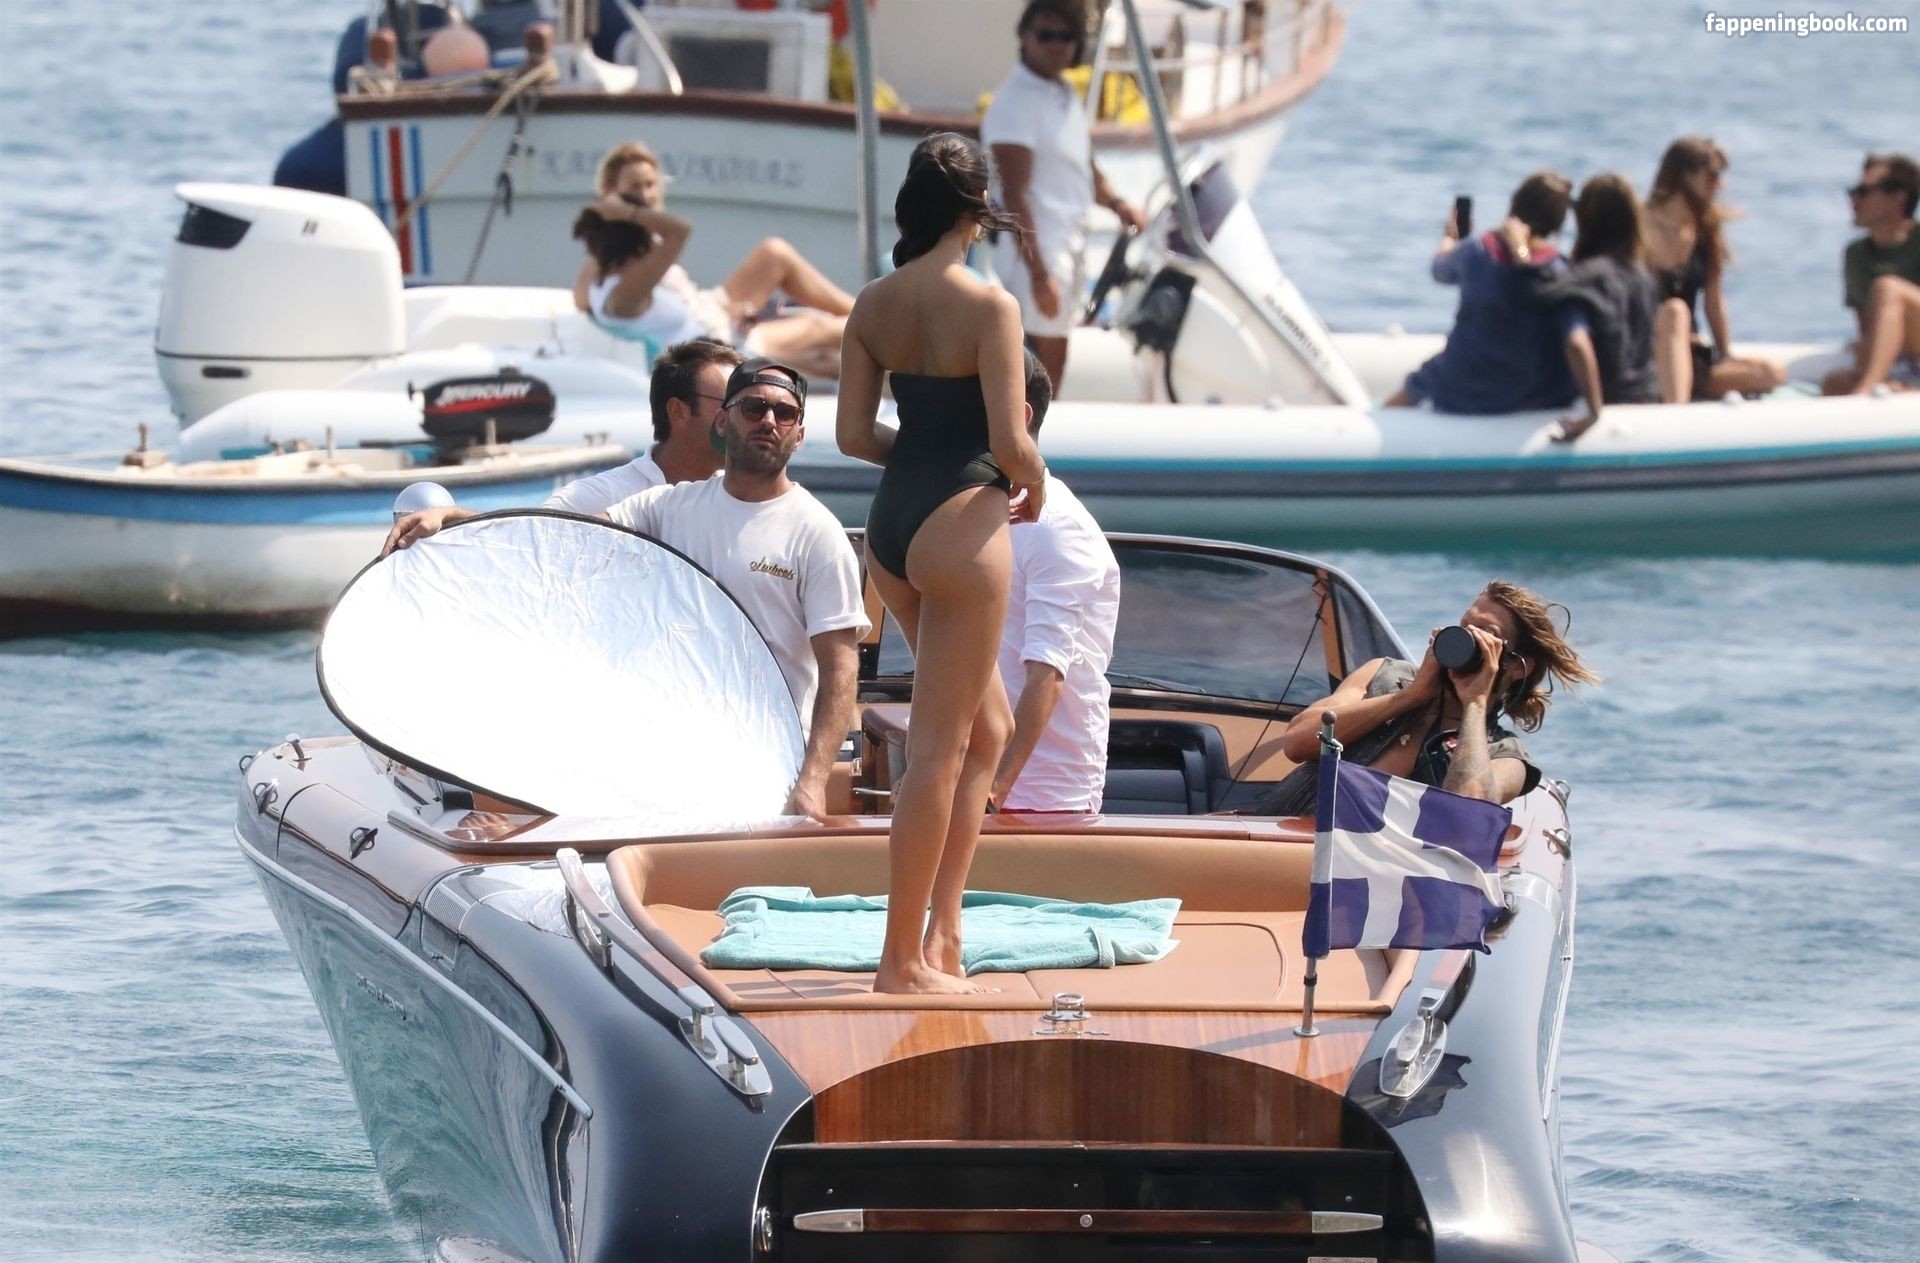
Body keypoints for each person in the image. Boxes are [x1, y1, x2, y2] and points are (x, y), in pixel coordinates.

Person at [836, 133, 1049, 994]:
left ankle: (945, 935)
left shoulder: (872, 303)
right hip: (962, 525)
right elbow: (1010, 443)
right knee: (936, 752)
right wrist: (1031, 477)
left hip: (891, 524)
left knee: (986, 732)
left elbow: (854, 436)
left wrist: (924, 463)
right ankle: (900, 962)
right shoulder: (991, 304)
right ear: (977, 211)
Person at [601, 359, 870, 820]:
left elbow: (840, 669)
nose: (769, 420)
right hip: (665, 759)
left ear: (799, 436)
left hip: (767, 769)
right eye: (754, 407)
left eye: (785, 413)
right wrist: (470, 524)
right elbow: (568, 539)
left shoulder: (817, 533)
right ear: (724, 422)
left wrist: (813, 780)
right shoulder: (666, 508)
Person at [1246, 582, 1598, 816]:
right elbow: (1297, 742)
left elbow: (1469, 805)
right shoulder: (1383, 676)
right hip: (1282, 847)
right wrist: (1411, 696)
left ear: (1518, 667)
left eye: (1486, 633)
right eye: (1465, 625)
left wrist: (1475, 703)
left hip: (1368, 884)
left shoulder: (1504, 755)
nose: (1468, 637)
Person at [383, 338, 737, 539]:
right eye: (730, 403)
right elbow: (529, 535)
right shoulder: (610, 494)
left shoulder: (746, 496)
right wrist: (451, 517)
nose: (744, 419)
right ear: (677, 411)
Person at [573, 142, 854, 379]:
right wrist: (626, 213)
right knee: (816, 330)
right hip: (715, 345)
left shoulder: (624, 261)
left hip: (710, 316)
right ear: (611, 194)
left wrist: (731, 309)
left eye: (651, 184)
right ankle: (872, 318)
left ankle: (864, 311)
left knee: (774, 254)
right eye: (635, 187)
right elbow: (679, 231)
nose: (646, 195)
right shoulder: (625, 282)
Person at [981, 0, 1147, 389]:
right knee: (1044, 357)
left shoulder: (1064, 93)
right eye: (1046, 35)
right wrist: (1039, 275)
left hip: (1068, 242)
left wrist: (1118, 205)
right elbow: (1014, 195)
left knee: (1056, 353)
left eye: (1066, 36)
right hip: (1036, 252)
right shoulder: (1015, 103)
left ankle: (1038, 419)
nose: (1057, 45)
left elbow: (1084, 167)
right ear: (1024, 37)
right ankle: (1029, 423)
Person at [988, 349, 1121, 814]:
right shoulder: (986, 512)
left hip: (1043, 795)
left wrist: (993, 791)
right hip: (980, 776)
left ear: (1018, 416)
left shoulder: (1057, 527)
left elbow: (1047, 672)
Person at [1385, 172, 1582, 414]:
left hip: (1462, 383)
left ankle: (1379, 421)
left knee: (1422, 381)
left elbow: (1439, 271)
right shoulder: (1560, 269)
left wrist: (1449, 239)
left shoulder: (1476, 251)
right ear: (1558, 223)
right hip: (1529, 390)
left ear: (1514, 205)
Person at [1643, 138, 1786, 403]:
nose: (1720, 185)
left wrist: (1725, 352)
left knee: (1771, 373)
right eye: (1712, 176)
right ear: (1684, 177)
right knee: (1674, 312)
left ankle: (1686, 385)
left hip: (1692, 351)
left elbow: (1714, 300)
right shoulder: (1639, 228)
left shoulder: (1706, 229)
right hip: (1648, 351)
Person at [1541, 174, 1661, 442]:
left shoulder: (1584, 277)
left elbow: (1573, 342)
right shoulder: (1643, 277)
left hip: (1604, 399)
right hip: (1646, 396)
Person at [1822, 152, 1920, 395]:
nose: (1853, 200)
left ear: (1897, 198)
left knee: (1888, 288)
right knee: (1833, 384)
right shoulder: (1856, 254)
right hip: (1907, 358)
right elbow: (1868, 330)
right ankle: (1897, 388)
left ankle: (1867, 392)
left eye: (1863, 192)